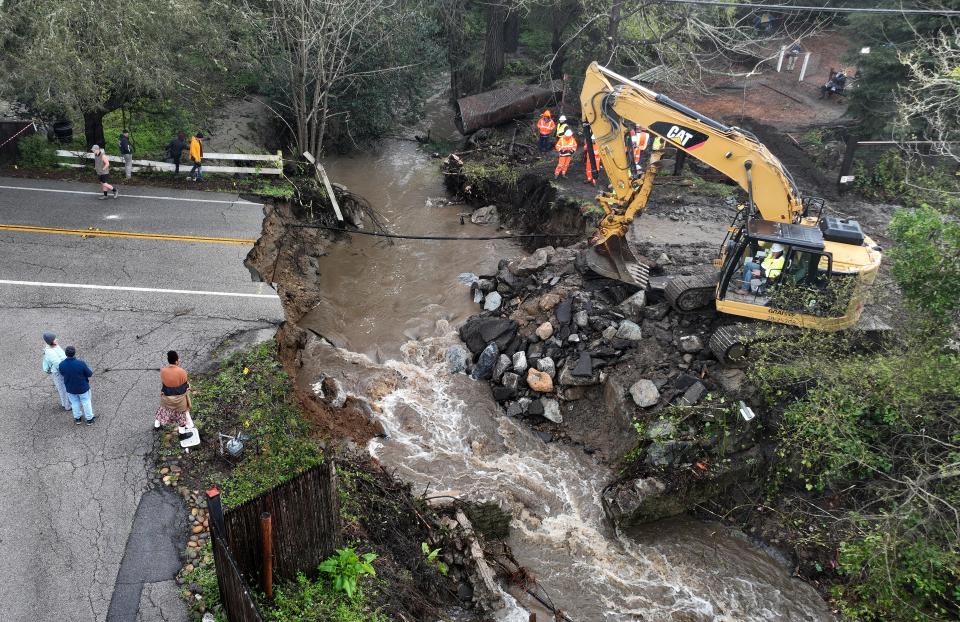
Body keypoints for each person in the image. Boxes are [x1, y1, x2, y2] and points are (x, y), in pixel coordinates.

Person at [155, 350, 195, 430]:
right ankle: (182, 433)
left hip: (166, 400)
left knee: (163, 410)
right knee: (181, 416)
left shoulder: (163, 371)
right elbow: (185, 386)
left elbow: (165, 383)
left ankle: (157, 425)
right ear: (176, 361)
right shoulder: (182, 372)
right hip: (179, 402)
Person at [59, 346, 95, 425]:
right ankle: (89, 419)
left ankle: (77, 418)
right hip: (82, 387)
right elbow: (89, 374)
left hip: (70, 388)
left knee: (74, 403)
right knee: (86, 402)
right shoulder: (80, 363)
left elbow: (62, 373)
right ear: (74, 353)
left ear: (66, 354)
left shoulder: (61, 365)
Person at [41, 332, 71, 412]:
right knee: (63, 388)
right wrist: (67, 371)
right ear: (52, 341)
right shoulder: (49, 352)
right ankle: (67, 405)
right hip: (59, 372)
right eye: (55, 339)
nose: (56, 339)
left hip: (63, 369)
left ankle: (67, 403)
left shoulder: (55, 346)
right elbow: (58, 364)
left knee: (65, 387)